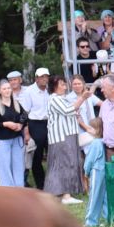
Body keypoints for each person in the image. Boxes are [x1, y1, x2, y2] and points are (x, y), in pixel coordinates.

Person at [43, 74, 85, 204]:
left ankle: (62, 193)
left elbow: (72, 111)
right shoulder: (54, 99)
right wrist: (83, 97)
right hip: (61, 137)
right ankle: (65, 195)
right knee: (64, 164)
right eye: (61, 84)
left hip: (69, 135)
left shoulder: (63, 98)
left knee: (67, 163)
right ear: (54, 86)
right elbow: (68, 111)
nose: (65, 86)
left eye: (64, 83)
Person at [0, 73, 28, 186]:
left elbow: (24, 115)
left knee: (18, 165)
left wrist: (20, 125)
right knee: (4, 167)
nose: (7, 90)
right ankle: (7, 191)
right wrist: (5, 124)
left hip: (16, 139)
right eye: (4, 89)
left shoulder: (16, 104)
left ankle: (19, 189)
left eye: (8, 88)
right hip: (2, 140)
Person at [22, 68, 54, 188]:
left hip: (50, 123)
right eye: (41, 77)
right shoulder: (29, 91)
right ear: (36, 78)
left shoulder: (50, 90)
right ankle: (41, 185)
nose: (44, 79)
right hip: (35, 124)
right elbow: (25, 112)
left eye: (46, 76)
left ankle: (52, 184)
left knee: (53, 154)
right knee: (37, 156)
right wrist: (26, 132)